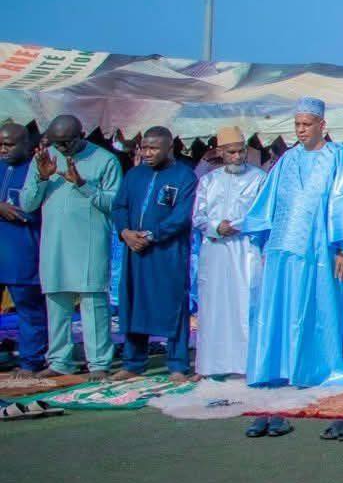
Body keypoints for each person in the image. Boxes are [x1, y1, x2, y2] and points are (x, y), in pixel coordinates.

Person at [241, 99, 343, 388]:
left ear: (322, 125)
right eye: (297, 124)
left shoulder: (338, 155)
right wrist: (262, 239)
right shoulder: (287, 159)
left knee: (321, 309)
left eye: (306, 124)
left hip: (321, 251)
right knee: (283, 307)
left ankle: (319, 368)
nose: (300, 130)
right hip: (284, 249)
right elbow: (267, 203)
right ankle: (281, 368)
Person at [19, 114, 122, 377]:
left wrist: (82, 185)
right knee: (56, 300)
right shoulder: (43, 158)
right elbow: (27, 204)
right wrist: (42, 178)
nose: (62, 148)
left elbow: (114, 205)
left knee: (93, 301)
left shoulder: (105, 160)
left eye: (67, 142)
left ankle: (99, 363)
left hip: (90, 241)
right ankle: (59, 362)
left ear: (82, 134)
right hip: (54, 242)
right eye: (57, 142)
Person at [108, 127, 197, 381]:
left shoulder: (185, 177)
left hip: (167, 252)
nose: (147, 153)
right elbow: (119, 206)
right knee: (134, 302)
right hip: (135, 251)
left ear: (170, 148)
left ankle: (178, 364)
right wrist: (125, 232)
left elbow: (182, 217)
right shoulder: (134, 175)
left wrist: (149, 236)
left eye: (153, 148)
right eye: (144, 148)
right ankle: (133, 363)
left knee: (173, 304)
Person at [192, 127, 265, 378]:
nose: (238, 157)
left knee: (245, 303)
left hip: (245, 248)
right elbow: (198, 217)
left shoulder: (258, 178)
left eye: (241, 151)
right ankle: (213, 366)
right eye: (232, 152)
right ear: (221, 153)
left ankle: (246, 365)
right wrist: (216, 227)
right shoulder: (208, 181)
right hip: (214, 250)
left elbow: (264, 215)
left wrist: (236, 225)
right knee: (214, 306)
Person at [0, 123, 48, 376]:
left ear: (27, 145)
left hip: (23, 254)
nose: (3, 149)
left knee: (30, 311)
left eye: (9, 144)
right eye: (0, 144)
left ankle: (31, 361)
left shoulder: (38, 171)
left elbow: (35, 211)